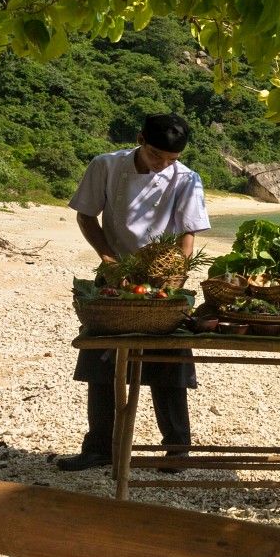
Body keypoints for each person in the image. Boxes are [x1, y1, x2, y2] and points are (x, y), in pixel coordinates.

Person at [57, 114, 210, 472]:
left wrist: (176, 274)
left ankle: (177, 449)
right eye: (157, 155)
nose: (163, 165)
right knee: (101, 360)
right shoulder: (106, 166)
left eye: (171, 159)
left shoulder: (186, 179)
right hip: (116, 271)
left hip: (162, 274)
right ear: (140, 139)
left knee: (169, 361)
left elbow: (187, 234)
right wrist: (108, 259)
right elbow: (85, 216)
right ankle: (99, 447)